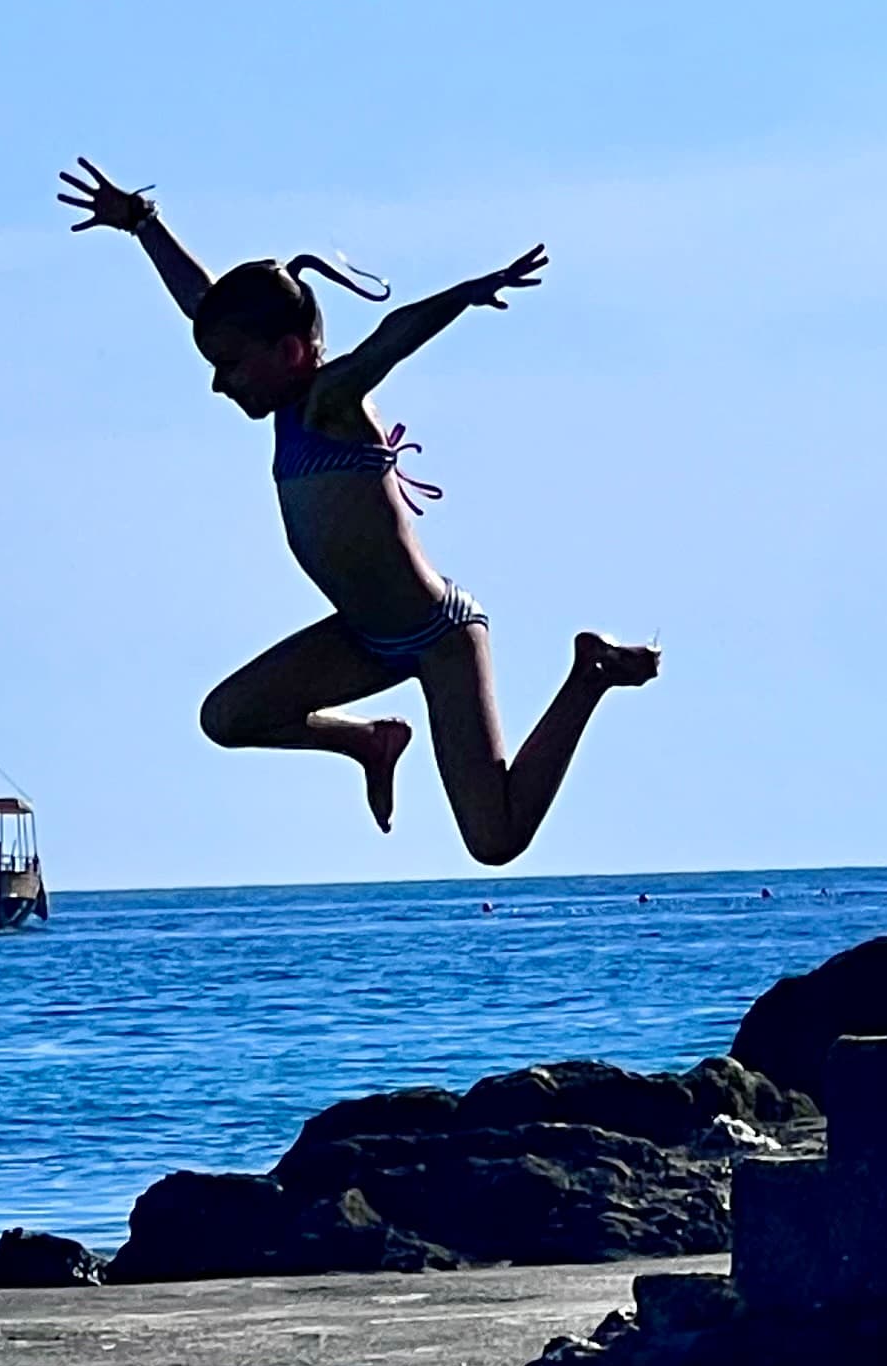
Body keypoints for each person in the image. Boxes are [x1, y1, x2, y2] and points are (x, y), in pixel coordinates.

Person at [58, 160, 659, 860]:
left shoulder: (331, 403)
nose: (219, 386)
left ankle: (590, 676)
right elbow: (203, 302)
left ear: (289, 351)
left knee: (495, 841)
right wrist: (142, 223)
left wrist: (467, 293)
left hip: (438, 637)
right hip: (363, 638)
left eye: (230, 366)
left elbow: (392, 337)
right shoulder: (285, 400)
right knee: (226, 718)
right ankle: (369, 740)